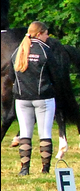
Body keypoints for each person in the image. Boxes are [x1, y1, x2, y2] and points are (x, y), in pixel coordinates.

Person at [10, 21, 56, 176]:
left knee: (25, 133)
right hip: (43, 98)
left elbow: (12, 75)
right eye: (46, 33)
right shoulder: (45, 50)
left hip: (21, 98)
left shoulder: (18, 51)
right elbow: (55, 74)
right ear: (39, 34)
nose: (47, 36)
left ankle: (24, 169)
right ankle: (45, 169)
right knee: (45, 133)